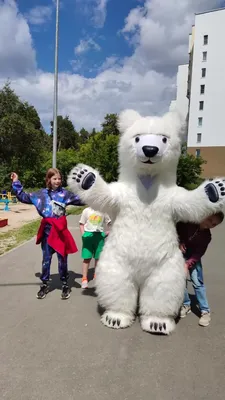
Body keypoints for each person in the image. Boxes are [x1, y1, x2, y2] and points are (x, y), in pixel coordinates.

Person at [11, 168, 83, 300]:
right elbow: (23, 197)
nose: (57, 181)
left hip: (60, 231)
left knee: (62, 260)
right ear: (49, 179)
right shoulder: (41, 194)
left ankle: (65, 284)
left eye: (59, 178)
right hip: (47, 232)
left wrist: (91, 189)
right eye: (55, 178)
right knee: (46, 259)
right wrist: (16, 182)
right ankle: (44, 284)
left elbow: (82, 199)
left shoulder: (65, 194)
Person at [177, 212, 224, 327]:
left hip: (193, 258)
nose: (210, 224)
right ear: (204, 215)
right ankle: (186, 304)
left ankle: (205, 311)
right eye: (209, 220)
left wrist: (188, 264)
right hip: (180, 255)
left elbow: (198, 253)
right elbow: (178, 231)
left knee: (197, 283)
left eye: (214, 224)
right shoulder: (189, 223)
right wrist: (180, 242)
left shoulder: (207, 237)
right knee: (180, 280)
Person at [79, 207, 111, 289]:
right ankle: (84, 279)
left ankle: (96, 275)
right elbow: (81, 223)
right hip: (88, 236)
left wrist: (109, 231)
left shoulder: (103, 211)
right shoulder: (86, 210)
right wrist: (83, 235)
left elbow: (109, 222)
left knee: (98, 258)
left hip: (99, 236)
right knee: (87, 258)